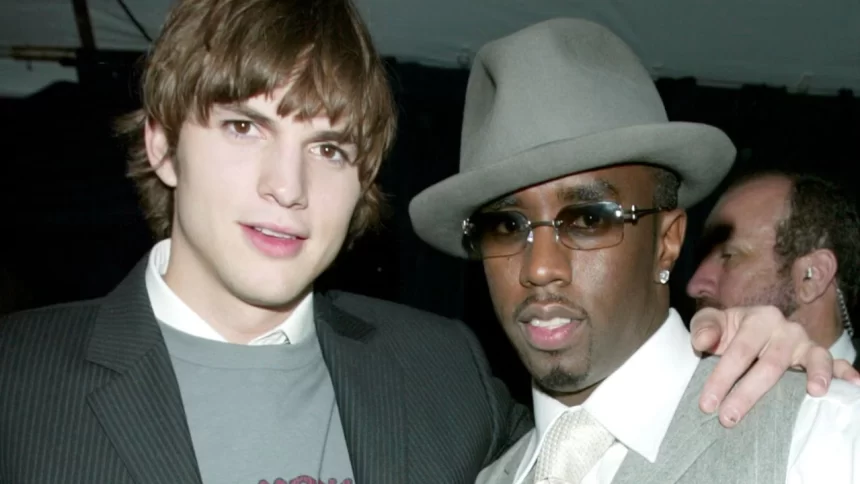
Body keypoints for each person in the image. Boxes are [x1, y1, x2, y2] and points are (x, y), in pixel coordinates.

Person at [0, 2, 851, 483]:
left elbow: (627, 399)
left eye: (329, 148)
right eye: (243, 126)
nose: (286, 188)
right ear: (160, 144)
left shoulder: (441, 380)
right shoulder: (16, 383)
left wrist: (764, 335)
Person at [407, 18, 860, 484]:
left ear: (666, 242)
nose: (539, 267)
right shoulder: (490, 476)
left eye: (587, 219)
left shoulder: (820, 433)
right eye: (505, 225)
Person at [687, 170, 860, 365]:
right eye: (702, 257)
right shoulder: (689, 382)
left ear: (812, 277)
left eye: (729, 256)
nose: (694, 285)